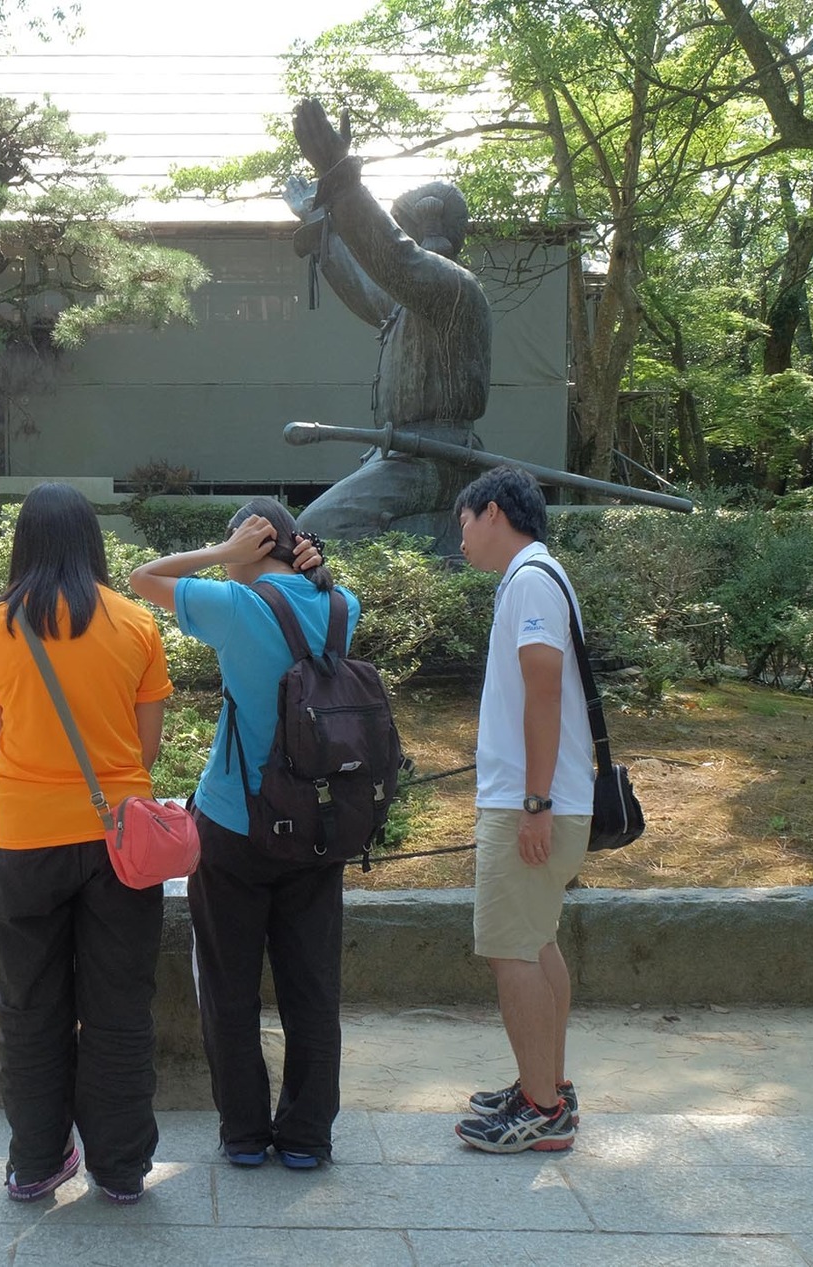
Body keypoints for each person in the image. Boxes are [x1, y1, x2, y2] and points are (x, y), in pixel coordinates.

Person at [0, 482, 174, 1205]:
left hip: (25, 838)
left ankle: (34, 1162)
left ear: (22, 543)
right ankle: (120, 1167)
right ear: (93, 541)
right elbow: (146, 746)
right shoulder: (136, 622)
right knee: (119, 1003)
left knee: (29, 1004)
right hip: (122, 840)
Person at [127, 499, 347, 1169]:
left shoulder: (231, 606)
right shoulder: (343, 605)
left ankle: (245, 1134)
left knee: (227, 982)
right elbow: (318, 604)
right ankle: (307, 1135)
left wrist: (225, 557)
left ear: (253, 541)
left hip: (234, 821)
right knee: (312, 983)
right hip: (318, 819)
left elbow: (142, 576)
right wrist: (304, 565)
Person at [450, 465, 593, 1153]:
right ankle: (547, 1087)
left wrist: (534, 802)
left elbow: (543, 687)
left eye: (463, 522)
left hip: (531, 805)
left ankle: (540, 1109)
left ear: (494, 512)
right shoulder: (536, 576)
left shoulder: (531, 580)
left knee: (511, 949)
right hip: (544, 800)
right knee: (535, 942)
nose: (461, 539)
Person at [284, 97, 493, 551]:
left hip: (440, 457)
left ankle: (429, 563)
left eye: (399, 226)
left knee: (323, 528)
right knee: (320, 529)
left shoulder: (452, 289)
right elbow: (366, 286)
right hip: (403, 452)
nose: (389, 234)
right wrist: (321, 219)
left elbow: (393, 257)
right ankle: (427, 559)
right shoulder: (413, 300)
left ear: (426, 227)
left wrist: (340, 176)